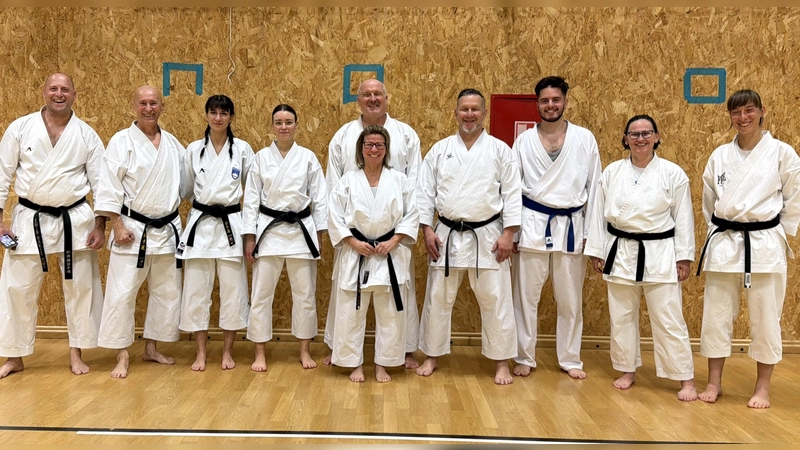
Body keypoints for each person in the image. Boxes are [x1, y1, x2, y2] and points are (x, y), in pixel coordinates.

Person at [696, 89, 800, 409]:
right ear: (730, 116)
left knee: (766, 317)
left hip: (765, 242)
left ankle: (762, 388)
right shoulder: (720, 156)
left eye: (749, 111)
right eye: (736, 113)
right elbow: (709, 203)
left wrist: (782, 233)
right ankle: (714, 383)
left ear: (762, 112)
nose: (743, 118)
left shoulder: (782, 153)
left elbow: (794, 198)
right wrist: (717, 231)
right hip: (726, 241)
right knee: (715, 315)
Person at [585, 114, 697, 401]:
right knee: (621, 316)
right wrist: (597, 250)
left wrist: (683, 256)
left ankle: (685, 378)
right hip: (620, 251)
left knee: (669, 318)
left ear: (657, 137)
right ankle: (626, 369)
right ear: (625, 139)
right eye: (634, 134)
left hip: (660, 253)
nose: (640, 138)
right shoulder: (611, 172)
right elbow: (598, 213)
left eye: (647, 133)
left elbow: (684, 217)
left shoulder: (673, 174)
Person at [0, 73, 106, 378]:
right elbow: (2, 174)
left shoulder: (86, 134)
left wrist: (100, 226)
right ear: (44, 92)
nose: (59, 94)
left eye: (65, 89)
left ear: (74, 95)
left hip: (75, 218)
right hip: (29, 218)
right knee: (17, 287)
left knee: (80, 287)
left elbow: (102, 184)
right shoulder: (20, 128)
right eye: (53, 88)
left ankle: (77, 352)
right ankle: (14, 356)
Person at [416, 88, 521, 385]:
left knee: (496, 299)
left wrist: (508, 233)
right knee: (438, 298)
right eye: (464, 109)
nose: (469, 114)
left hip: (488, 235)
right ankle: (433, 355)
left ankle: (502, 362)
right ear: (456, 112)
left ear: (484, 113)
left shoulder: (501, 150)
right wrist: (427, 228)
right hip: (446, 233)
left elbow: (512, 193)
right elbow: (425, 191)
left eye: (475, 109)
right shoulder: (440, 149)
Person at [324, 78, 422, 369]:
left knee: (397, 298)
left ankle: (402, 351)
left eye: (378, 93)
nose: (373, 98)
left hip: (394, 235)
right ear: (358, 101)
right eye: (366, 94)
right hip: (354, 234)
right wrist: (347, 236)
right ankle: (338, 348)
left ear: (387, 98)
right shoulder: (343, 136)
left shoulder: (405, 134)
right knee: (346, 298)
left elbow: (414, 185)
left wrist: (400, 235)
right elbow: (333, 187)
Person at [511, 76, 601, 379]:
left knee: (570, 298)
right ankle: (524, 356)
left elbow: (595, 188)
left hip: (571, 225)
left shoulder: (584, 138)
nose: (551, 105)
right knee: (525, 298)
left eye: (556, 100)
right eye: (545, 101)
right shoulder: (523, 140)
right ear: (537, 104)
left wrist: (591, 233)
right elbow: (511, 189)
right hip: (532, 224)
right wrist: (512, 230)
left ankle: (571, 358)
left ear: (565, 101)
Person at [95, 85, 188, 378]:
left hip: (168, 229)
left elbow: (185, 187)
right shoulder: (121, 142)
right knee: (122, 293)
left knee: (166, 292)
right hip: (132, 230)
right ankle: (122, 355)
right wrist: (117, 226)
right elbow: (108, 186)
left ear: (162, 107)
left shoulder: (174, 144)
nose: (149, 108)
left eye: (154, 103)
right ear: (134, 106)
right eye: (143, 103)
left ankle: (151, 347)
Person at [243, 104, 327, 372]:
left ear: (296, 125)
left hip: (301, 231)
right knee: (261, 294)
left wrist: (320, 235)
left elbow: (320, 199)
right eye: (278, 122)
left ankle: (304, 349)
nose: (283, 126)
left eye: (288, 121)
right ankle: (259, 352)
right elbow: (251, 201)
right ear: (272, 127)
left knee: (304, 294)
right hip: (268, 231)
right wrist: (249, 238)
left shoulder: (308, 158)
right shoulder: (260, 158)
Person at [177, 95, 253, 371]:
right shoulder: (194, 149)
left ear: (231, 116)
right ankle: (200, 352)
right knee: (196, 291)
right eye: (213, 112)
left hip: (231, 223)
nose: (218, 118)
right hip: (201, 224)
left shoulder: (243, 150)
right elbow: (185, 189)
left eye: (223, 113)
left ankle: (227, 351)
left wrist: (250, 234)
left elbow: (252, 193)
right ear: (206, 115)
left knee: (233, 291)